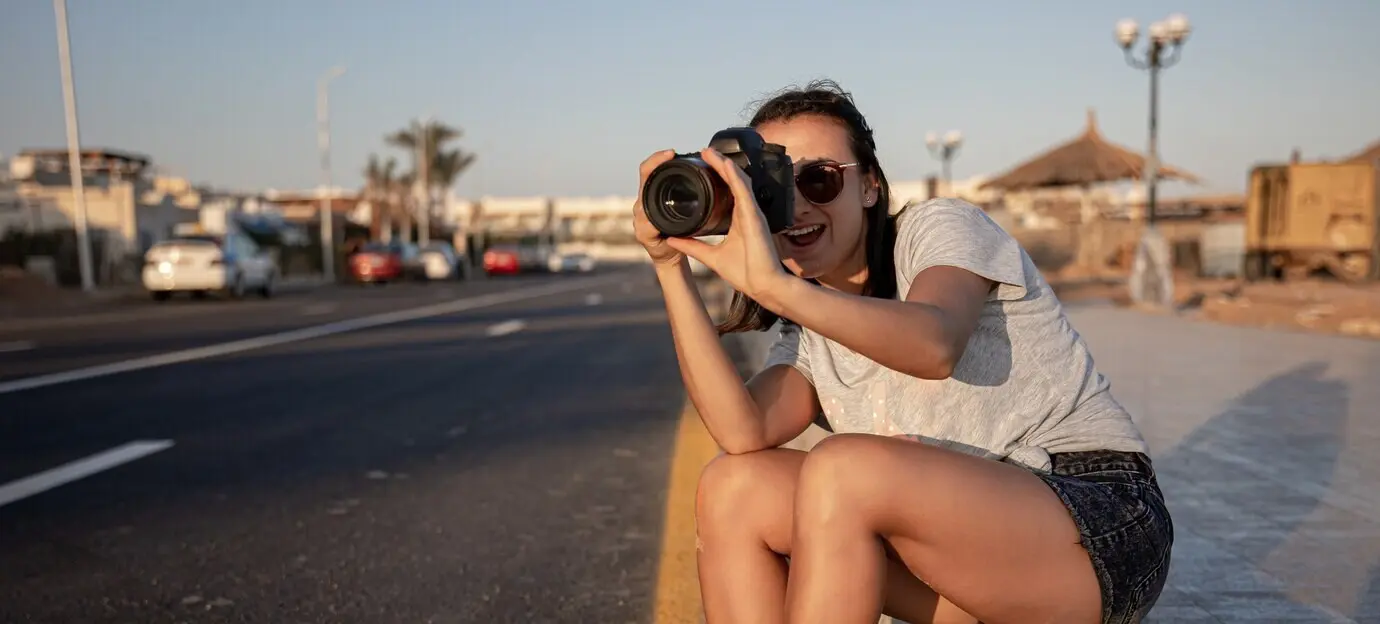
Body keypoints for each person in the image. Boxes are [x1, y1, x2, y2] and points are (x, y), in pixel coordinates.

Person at [631, 80, 1173, 624]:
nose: (795, 205)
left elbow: (933, 343)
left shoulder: (938, 229)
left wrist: (777, 288)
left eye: (818, 179)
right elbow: (742, 430)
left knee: (843, 468)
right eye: (767, 186)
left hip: (1093, 529)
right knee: (733, 487)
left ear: (868, 186)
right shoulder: (812, 319)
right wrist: (669, 267)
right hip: (959, 574)